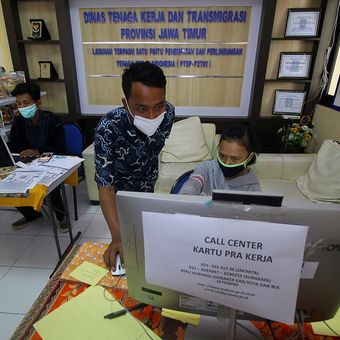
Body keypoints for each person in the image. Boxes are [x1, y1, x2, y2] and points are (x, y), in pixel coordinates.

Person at [94, 61, 175, 270]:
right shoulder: (108, 127)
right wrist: (118, 237)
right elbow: (106, 188)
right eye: (141, 109)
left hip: (147, 188)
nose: (152, 117)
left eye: (159, 106)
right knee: (122, 245)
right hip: (119, 195)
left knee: (148, 246)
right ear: (125, 103)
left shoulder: (169, 115)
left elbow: (152, 149)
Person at [8, 82, 68, 231]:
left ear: (37, 102)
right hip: (26, 164)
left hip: (51, 162)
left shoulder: (52, 120)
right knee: (11, 187)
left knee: (50, 189)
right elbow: (14, 146)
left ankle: (62, 216)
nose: (21, 107)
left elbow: (60, 148)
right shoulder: (19, 122)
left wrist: (38, 151)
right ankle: (31, 214)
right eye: (18, 104)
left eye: (26, 103)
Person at [179, 124, 261, 195]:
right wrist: (186, 195)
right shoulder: (206, 168)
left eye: (235, 159)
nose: (227, 163)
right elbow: (193, 184)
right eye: (222, 155)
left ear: (249, 157)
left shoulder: (253, 189)